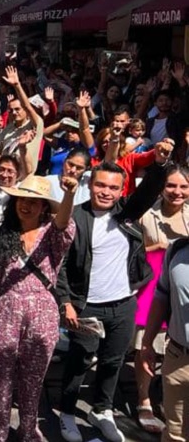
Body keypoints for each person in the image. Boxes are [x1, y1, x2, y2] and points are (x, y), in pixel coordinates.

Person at [57, 140, 174, 442]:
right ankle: (67, 413)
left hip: (123, 304)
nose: (106, 192)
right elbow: (60, 266)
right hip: (87, 306)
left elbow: (149, 190)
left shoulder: (126, 213)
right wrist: (66, 303)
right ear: (91, 185)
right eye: (100, 186)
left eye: (113, 187)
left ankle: (102, 410)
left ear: (121, 190)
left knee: (113, 362)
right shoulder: (75, 217)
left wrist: (159, 164)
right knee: (78, 362)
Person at [0, 175, 78, 441]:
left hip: (41, 311)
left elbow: (64, 222)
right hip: (4, 307)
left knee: (32, 380)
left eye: (35, 202)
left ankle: (27, 432)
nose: (27, 205)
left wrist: (69, 194)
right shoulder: (3, 234)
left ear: (44, 206)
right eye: (23, 199)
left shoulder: (52, 233)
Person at [132, 164, 189, 434]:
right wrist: (158, 247)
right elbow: (131, 250)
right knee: (148, 344)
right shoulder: (146, 212)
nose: (177, 192)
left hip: (182, 288)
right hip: (152, 283)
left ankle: (168, 397)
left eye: (183, 187)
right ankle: (144, 399)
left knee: (173, 347)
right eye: (171, 186)